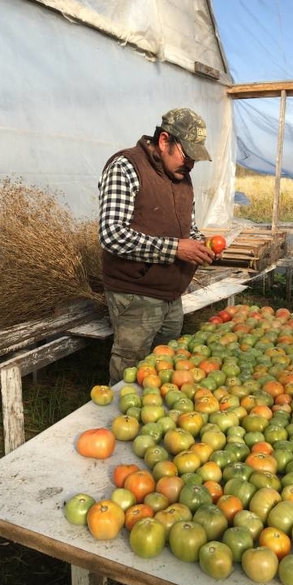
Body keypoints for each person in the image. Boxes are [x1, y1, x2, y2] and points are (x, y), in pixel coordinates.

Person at [98, 107, 215, 385]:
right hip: (136, 294)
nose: (191, 165)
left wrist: (199, 244)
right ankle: (117, 421)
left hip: (171, 293)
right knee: (131, 372)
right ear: (164, 141)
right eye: (187, 155)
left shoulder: (181, 176)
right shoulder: (126, 166)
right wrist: (175, 249)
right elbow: (112, 234)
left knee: (165, 369)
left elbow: (189, 227)